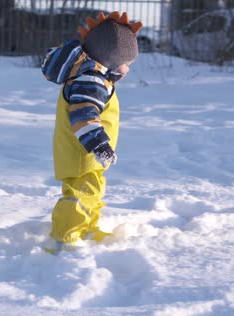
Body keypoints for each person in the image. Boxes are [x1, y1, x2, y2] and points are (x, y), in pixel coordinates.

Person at [41, 11, 142, 253]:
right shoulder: (91, 80)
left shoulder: (95, 76)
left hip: (85, 154)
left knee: (92, 191)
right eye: (127, 63)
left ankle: (85, 227)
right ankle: (65, 236)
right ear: (112, 59)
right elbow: (84, 114)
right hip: (82, 152)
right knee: (80, 195)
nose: (128, 69)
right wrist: (99, 145)